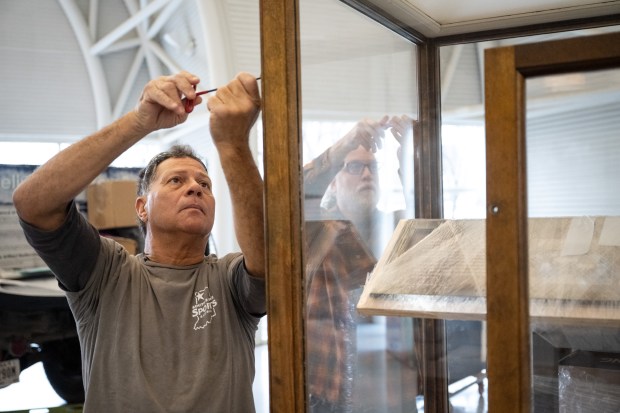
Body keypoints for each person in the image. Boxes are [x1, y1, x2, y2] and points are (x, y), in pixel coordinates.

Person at [12, 71, 265, 412]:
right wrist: (139, 121)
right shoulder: (106, 274)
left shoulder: (229, 279)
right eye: (176, 180)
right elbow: (33, 203)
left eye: (204, 184)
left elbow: (268, 262)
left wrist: (232, 146)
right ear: (142, 207)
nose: (195, 188)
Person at [303, 115, 417, 412]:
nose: (367, 174)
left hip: (392, 387)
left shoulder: (394, 227)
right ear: (333, 182)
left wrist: (414, 152)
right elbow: (290, 195)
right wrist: (345, 145)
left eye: (373, 167)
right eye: (354, 166)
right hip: (331, 391)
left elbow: (430, 223)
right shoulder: (315, 230)